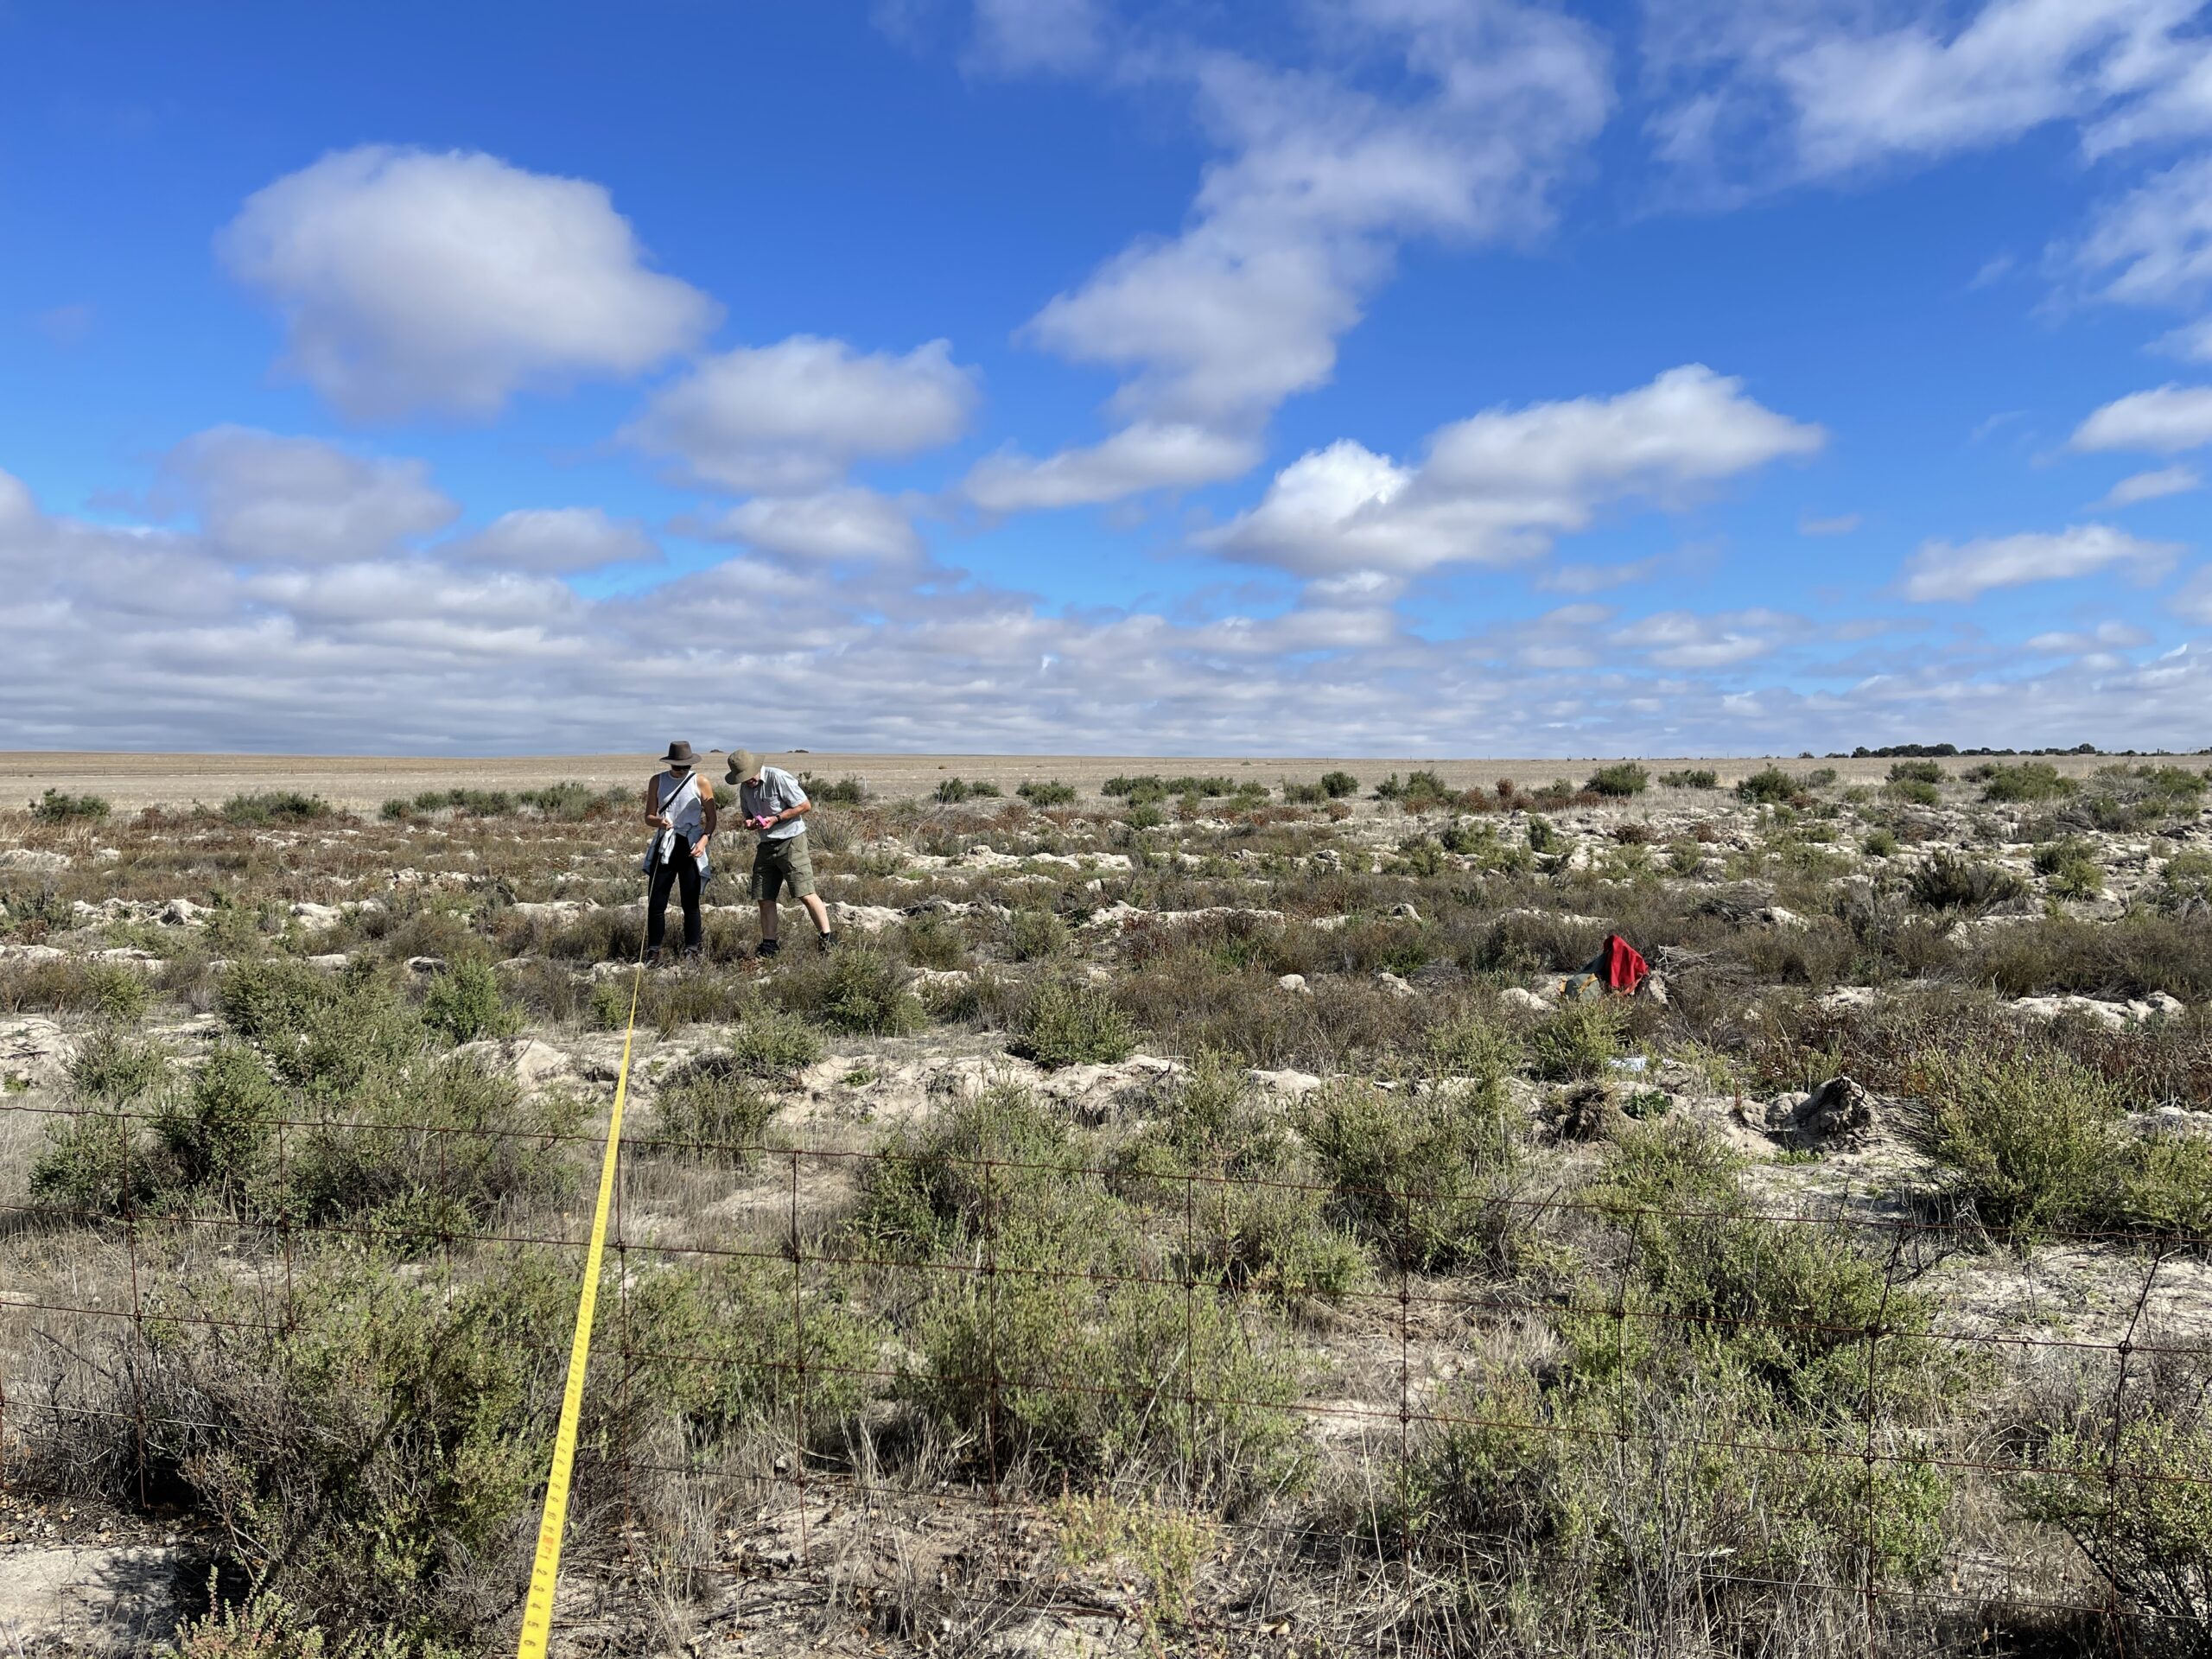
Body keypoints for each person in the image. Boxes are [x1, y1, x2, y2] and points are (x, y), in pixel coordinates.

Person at [725, 748, 836, 956]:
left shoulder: (779, 778)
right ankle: (769, 945)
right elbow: (747, 815)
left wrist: (776, 818)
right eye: (743, 778)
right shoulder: (745, 789)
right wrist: (750, 823)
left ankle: (827, 938)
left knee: (805, 892)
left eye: (749, 776)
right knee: (764, 896)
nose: (747, 781)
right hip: (766, 845)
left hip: (792, 841)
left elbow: (804, 805)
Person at [642, 740, 715, 964]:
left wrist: (704, 840)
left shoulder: (700, 782)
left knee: (690, 902)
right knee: (656, 902)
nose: (681, 771)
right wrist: (659, 822)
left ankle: (692, 950)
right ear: (670, 764)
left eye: (685, 767)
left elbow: (712, 819)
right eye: (677, 767)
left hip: (690, 846)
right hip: (666, 845)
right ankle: (653, 951)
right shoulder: (657, 781)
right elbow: (648, 817)